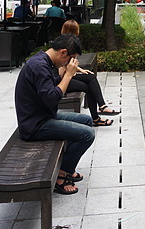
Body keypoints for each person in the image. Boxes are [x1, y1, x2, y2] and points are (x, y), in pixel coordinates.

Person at [14, 34, 95, 195]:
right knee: (87, 134)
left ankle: (65, 167)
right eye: (69, 59)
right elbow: (51, 99)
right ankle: (62, 174)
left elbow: (50, 87)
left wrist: (64, 73)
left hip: (43, 116)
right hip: (35, 125)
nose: (67, 63)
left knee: (86, 121)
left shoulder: (42, 60)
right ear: (63, 53)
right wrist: (68, 75)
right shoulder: (39, 66)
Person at [61, 19, 121, 126]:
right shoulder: (65, 45)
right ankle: (97, 117)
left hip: (69, 76)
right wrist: (73, 72)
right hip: (63, 80)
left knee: (90, 77)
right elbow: (63, 66)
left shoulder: (67, 42)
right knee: (88, 87)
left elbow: (70, 63)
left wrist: (81, 70)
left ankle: (101, 107)